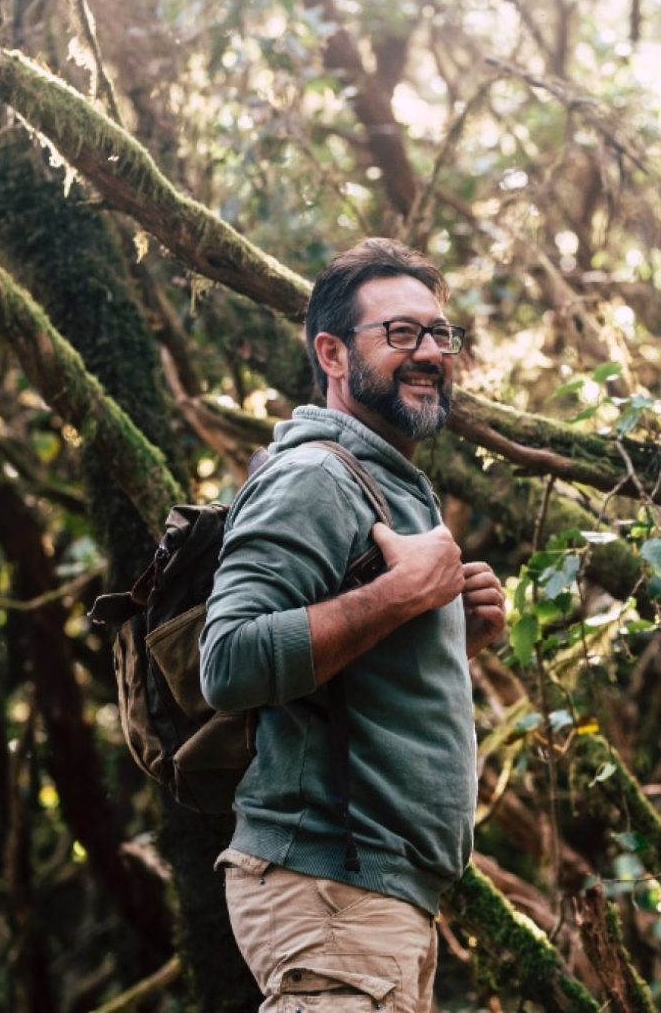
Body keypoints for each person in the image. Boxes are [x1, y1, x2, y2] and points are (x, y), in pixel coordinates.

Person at [200, 238, 505, 1012]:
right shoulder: (315, 476)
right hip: (329, 889)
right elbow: (227, 661)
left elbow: (350, 681)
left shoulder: (388, 480)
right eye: (400, 333)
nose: (429, 352)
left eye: (439, 334)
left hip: (377, 899)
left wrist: (447, 639)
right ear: (332, 354)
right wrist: (402, 597)